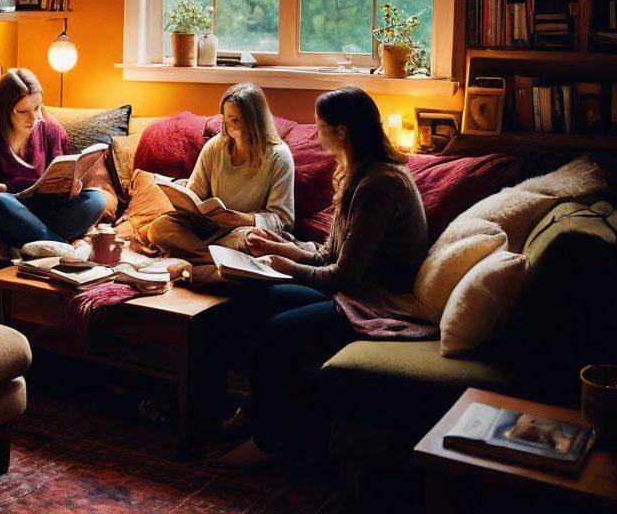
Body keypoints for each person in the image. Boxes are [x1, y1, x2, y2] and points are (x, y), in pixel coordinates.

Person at [221, 85, 428, 466]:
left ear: (342, 131)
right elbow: (330, 254)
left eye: (320, 126)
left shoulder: (378, 185)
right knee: (250, 297)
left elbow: (343, 276)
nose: (316, 134)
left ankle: (269, 441)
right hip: (352, 287)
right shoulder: (357, 173)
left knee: (279, 330)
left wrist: (289, 268)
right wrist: (281, 247)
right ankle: (256, 407)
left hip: (374, 298)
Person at [147, 83, 294, 266]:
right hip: (210, 227)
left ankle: (201, 257)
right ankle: (214, 258)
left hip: (243, 230)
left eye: (235, 121)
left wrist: (238, 219)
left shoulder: (279, 156)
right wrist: (183, 199)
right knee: (159, 228)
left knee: (254, 239)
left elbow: (283, 220)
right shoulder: (216, 146)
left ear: (255, 122)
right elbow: (195, 193)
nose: (229, 127)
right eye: (226, 119)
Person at [0, 68, 108, 255]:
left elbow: (63, 179)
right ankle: (64, 248)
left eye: (37, 108)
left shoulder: (51, 128)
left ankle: (44, 244)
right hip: (11, 214)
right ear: (4, 111)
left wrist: (71, 189)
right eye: (22, 111)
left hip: (46, 213)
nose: (33, 118)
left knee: (96, 199)